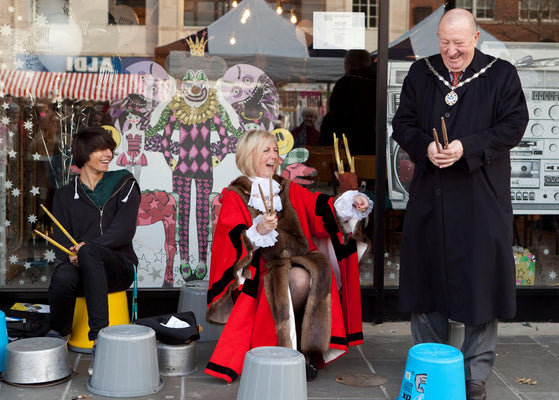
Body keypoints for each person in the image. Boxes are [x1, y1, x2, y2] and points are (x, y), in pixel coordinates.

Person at [391, 9, 528, 400]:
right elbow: (403, 123)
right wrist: (426, 147)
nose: (451, 51)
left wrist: (467, 147)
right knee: (427, 282)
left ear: (476, 37)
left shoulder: (501, 75)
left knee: (482, 286)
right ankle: (431, 364)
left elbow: (513, 127)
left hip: (481, 197)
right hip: (430, 197)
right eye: (444, 42)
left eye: (460, 43)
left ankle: (474, 376)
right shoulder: (421, 73)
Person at [204, 129, 372, 383]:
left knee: (314, 269)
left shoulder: (286, 188)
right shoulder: (236, 194)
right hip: (260, 269)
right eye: (267, 150)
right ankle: (288, 352)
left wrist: (351, 200)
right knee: (292, 279)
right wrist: (258, 231)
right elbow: (230, 239)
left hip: (301, 259)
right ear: (250, 155)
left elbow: (319, 207)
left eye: (275, 150)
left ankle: (300, 349)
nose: (275, 156)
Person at [46, 126, 141, 375]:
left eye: (110, 148)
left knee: (90, 251)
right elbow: (61, 240)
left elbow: (124, 231)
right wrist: (72, 254)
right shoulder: (66, 195)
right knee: (63, 276)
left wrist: (88, 249)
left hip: (118, 267)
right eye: (100, 149)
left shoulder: (124, 183)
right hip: (81, 269)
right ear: (84, 154)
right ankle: (58, 333)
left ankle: (99, 339)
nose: (108, 154)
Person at [321, 49, 376, 154]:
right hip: (374, 145)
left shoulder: (345, 84)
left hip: (348, 144)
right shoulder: (379, 82)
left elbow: (335, 112)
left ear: (349, 64)